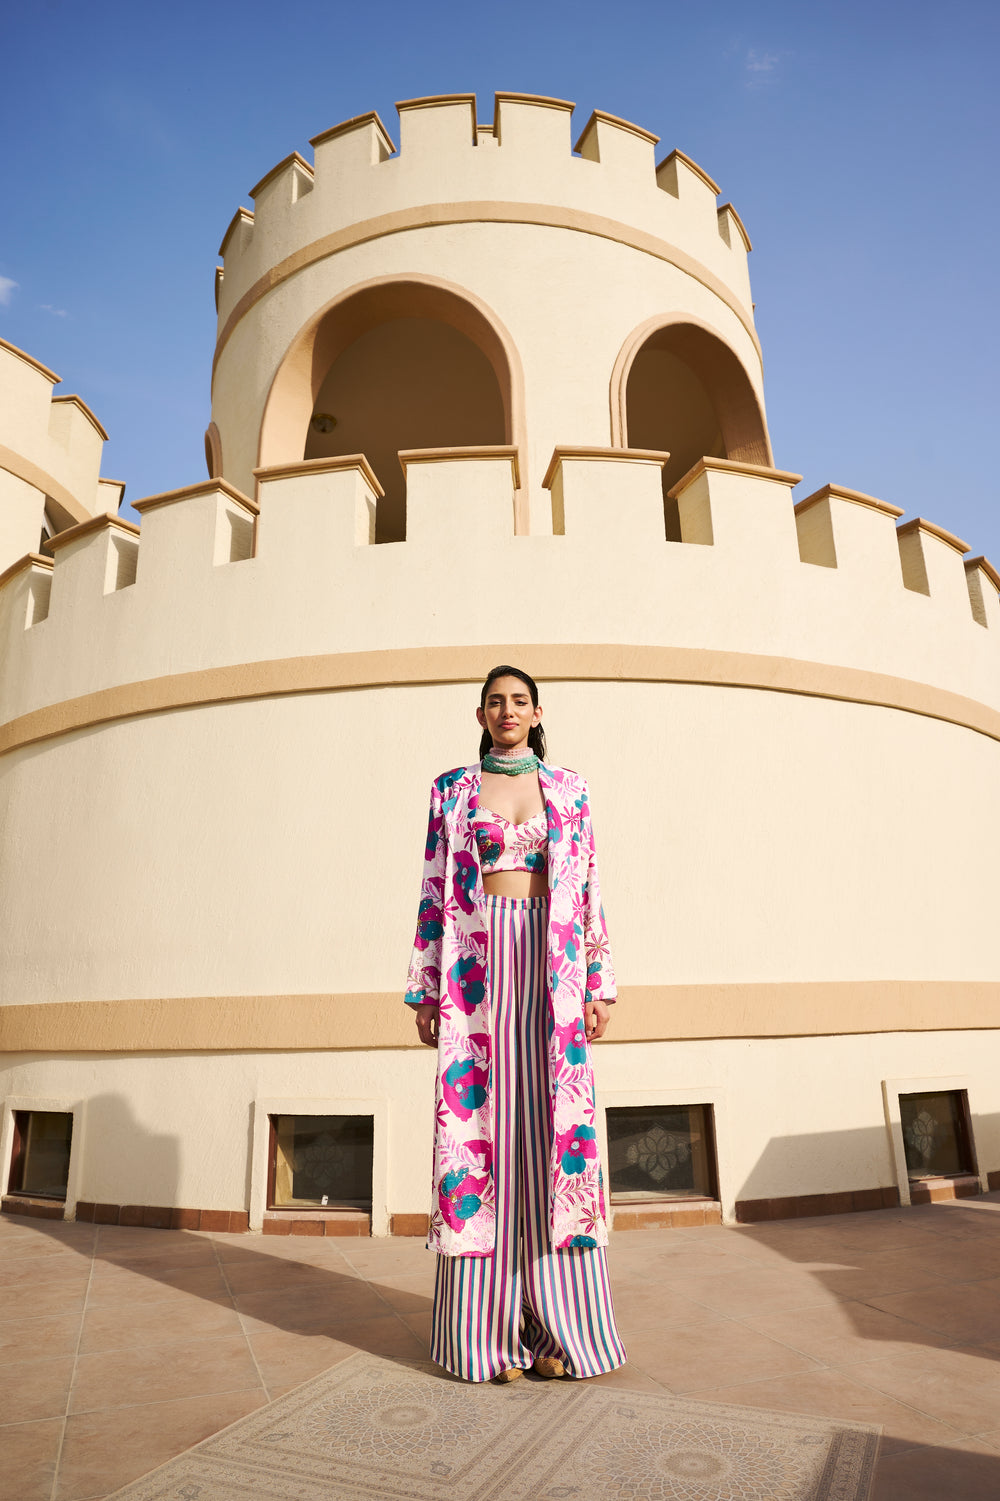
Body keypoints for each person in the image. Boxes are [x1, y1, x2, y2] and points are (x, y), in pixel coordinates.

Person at [405, 665, 626, 1383]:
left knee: (552, 1142)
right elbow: (434, 889)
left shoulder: (570, 790)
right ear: (480, 713)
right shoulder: (451, 790)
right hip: (476, 972)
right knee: (483, 1144)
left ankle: (561, 1332)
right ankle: (485, 1340)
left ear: (537, 713)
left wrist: (597, 982)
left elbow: (589, 888)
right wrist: (425, 990)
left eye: (519, 700)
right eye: (496, 701)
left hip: (552, 969)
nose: (507, 710)